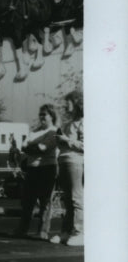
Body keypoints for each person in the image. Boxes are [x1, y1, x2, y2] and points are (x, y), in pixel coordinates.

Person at [14, 104, 59, 240]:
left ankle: (43, 232)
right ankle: (22, 230)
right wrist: (34, 148)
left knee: (45, 201)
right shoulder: (34, 131)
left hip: (47, 168)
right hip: (32, 168)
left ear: (51, 116)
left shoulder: (55, 131)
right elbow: (23, 146)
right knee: (27, 201)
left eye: (44, 114)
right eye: (40, 114)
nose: (41, 117)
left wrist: (31, 148)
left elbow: (43, 148)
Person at [51, 99, 83, 246]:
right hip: (63, 161)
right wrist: (59, 140)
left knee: (76, 198)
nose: (65, 105)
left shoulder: (83, 123)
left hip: (75, 161)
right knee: (67, 199)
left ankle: (80, 232)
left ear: (77, 104)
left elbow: (85, 146)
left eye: (68, 102)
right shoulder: (68, 123)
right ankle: (66, 231)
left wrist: (67, 140)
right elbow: (62, 143)